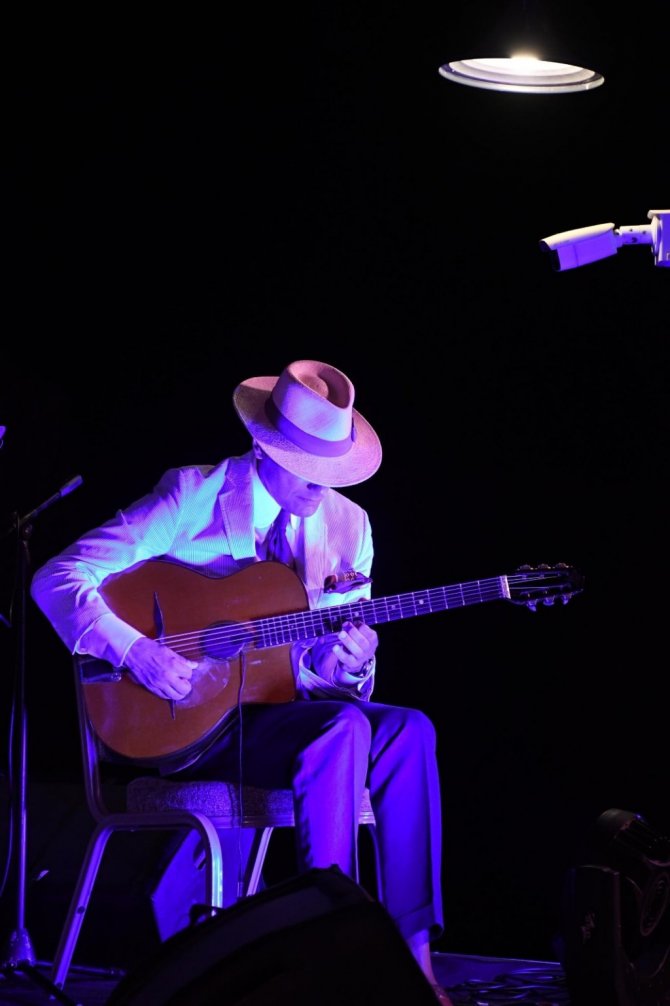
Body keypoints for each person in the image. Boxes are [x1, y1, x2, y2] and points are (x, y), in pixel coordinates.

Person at [30, 359, 453, 1005]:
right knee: (339, 730)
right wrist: (138, 652)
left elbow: (321, 677)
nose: (319, 487)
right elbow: (57, 578)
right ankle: (329, 955)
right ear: (264, 446)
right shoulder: (192, 495)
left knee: (408, 730)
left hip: (286, 717)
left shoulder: (350, 526)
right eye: (304, 467)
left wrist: (349, 664)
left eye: (331, 471)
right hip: (188, 723)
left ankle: (416, 960)